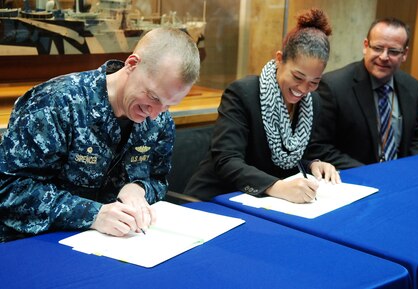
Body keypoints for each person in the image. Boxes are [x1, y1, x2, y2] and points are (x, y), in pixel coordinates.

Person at [0, 27, 200, 242]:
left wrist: (138, 189)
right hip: (35, 242)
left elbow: (157, 180)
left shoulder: (159, 118)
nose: (155, 114)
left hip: (112, 243)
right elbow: (10, 190)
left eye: (169, 105)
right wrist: (92, 214)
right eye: (153, 97)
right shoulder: (56, 103)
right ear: (132, 64)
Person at [185, 8, 340, 203]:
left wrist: (313, 165)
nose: (303, 88)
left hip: (270, 204)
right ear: (279, 59)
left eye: (314, 81)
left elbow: (290, 155)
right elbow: (226, 160)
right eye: (297, 76)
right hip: (219, 198)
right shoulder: (243, 93)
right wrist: (278, 187)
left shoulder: (313, 103)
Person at [304, 17, 418, 169]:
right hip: (355, 183)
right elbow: (319, 147)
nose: (383, 57)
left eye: (393, 51)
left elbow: (416, 138)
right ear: (365, 46)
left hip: (400, 180)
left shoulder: (412, 87)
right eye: (377, 48)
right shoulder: (333, 87)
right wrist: (371, 174)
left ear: (405, 54)